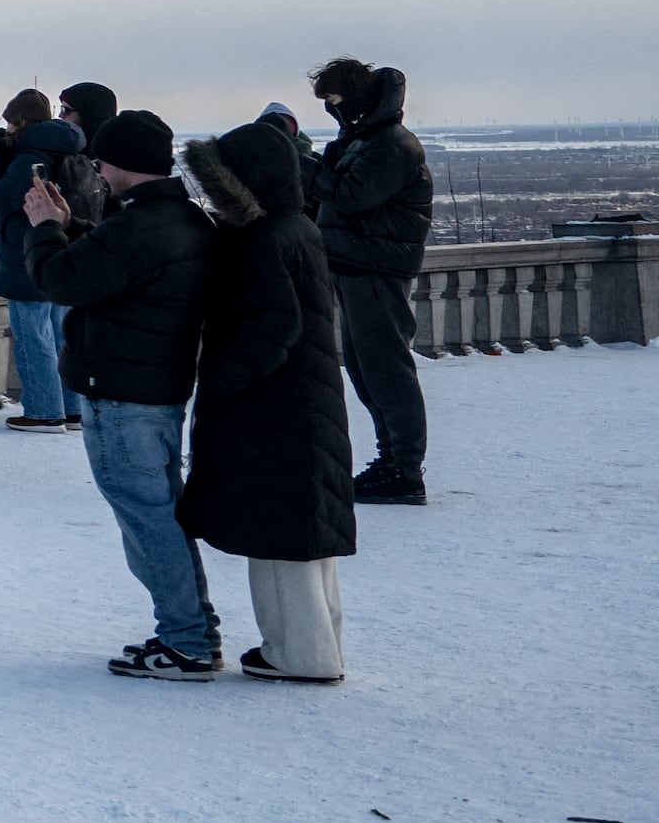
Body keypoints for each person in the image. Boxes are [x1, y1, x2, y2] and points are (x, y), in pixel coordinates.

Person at [25, 108, 218, 676]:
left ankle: (186, 640)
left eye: (102, 162)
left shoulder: (141, 226)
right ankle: (193, 632)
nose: (98, 173)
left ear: (125, 165)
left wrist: (43, 229)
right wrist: (70, 226)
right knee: (162, 515)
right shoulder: (181, 220)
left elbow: (62, 280)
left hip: (121, 394)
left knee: (148, 521)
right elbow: (115, 266)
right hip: (157, 386)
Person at [179, 119, 358, 680]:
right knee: (305, 541)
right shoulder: (294, 227)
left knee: (282, 541)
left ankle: (301, 654)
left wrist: (223, 381)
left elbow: (270, 326)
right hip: (302, 405)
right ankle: (316, 647)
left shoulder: (265, 239)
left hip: (276, 410)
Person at [308, 60, 433, 505]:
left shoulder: (391, 145)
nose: (331, 111)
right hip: (355, 264)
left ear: (357, 98)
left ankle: (404, 469)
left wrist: (307, 168)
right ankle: (390, 461)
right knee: (366, 370)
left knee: (387, 369)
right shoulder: (359, 140)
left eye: (335, 101)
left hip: (378, 268)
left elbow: (352, 196)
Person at [0, 86, 86, 430]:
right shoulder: (60, 146)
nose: (8, 129)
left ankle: (43, 411)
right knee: (59, 335)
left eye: (11, 123)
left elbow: (1, 196)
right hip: (59, 249)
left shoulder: (29, 157)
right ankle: (72, 409)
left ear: (21, 121)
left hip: (26, 255)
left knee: (33, 337)